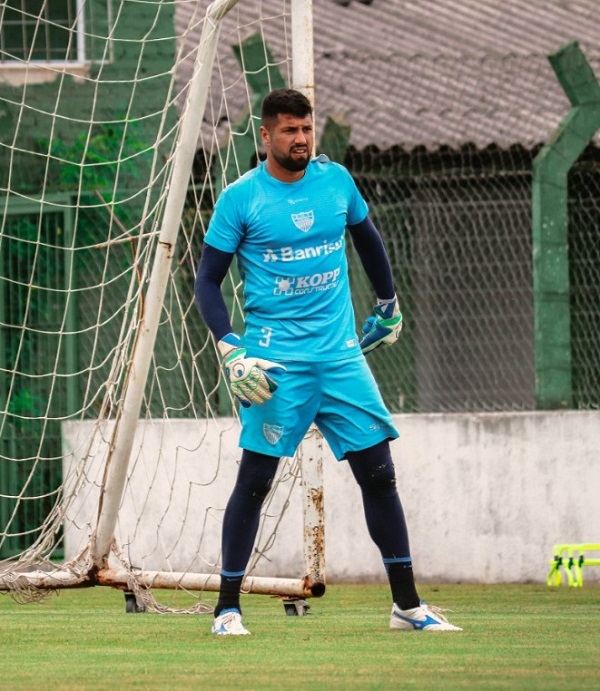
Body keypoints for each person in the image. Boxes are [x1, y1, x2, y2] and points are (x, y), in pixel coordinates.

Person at [194, 88, 461, 635]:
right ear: (265, 136)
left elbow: (368, 240)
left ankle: (407, 607)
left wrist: (388, 306)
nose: (300, 139)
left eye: (306, 129)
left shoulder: (336, 181)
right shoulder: (240, 199)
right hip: (275, 365)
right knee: (254, 483)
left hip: (340, 359)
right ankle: (226, 610)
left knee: (380, 475)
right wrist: (230, 347)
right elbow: (207, 282)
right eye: (289, 130)